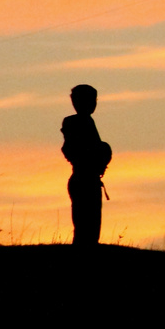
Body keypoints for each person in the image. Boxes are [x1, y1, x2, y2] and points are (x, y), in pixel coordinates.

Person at [61, 84, 111, 246]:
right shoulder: (72, 122)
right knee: (84, 226)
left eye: (95, 100)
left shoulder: (86, 121)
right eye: (90, 100)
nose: (93, 104)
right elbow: (72, 150)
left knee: (92, 226)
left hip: (91, 179)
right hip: (83, 179)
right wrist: (99, 152)